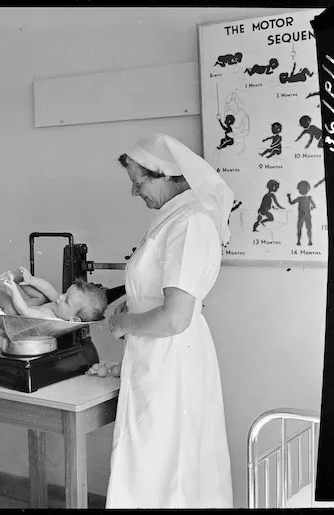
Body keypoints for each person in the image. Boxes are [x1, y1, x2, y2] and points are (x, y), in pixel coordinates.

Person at [106, 133, 233, 508]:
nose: (134, 193)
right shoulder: (173, 219)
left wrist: (125, 323)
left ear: (164, 174)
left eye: (138, 182)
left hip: (172, 360)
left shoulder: (190, 222)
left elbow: (176, 318)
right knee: (153, 462)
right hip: (158, 359)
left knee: (169, 467)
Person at [0, 267, 108, 322]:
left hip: (19, 312)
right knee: (43, 297)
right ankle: (19, 280)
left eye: (66, 300)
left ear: (74, 319)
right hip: (30, 306)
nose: (61, 296)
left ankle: (0, 289)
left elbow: (24, 311)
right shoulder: (60, 307)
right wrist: (31, 280)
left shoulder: (49, 317)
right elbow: (48, 288)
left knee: (8, 306)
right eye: (65, 293)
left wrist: (13, 290)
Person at [287, 180, 316, 246]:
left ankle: (308, 241)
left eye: (304, 189)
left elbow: (314, 206)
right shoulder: (301, 198)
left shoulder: (307, 198)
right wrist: (289, 197)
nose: (303, 190)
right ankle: (301, 241)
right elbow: (291, 203)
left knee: (306, 229)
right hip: (304, 216)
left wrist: (311, 208)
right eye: (302, 189)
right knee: (301, 229)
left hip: (305, 216)